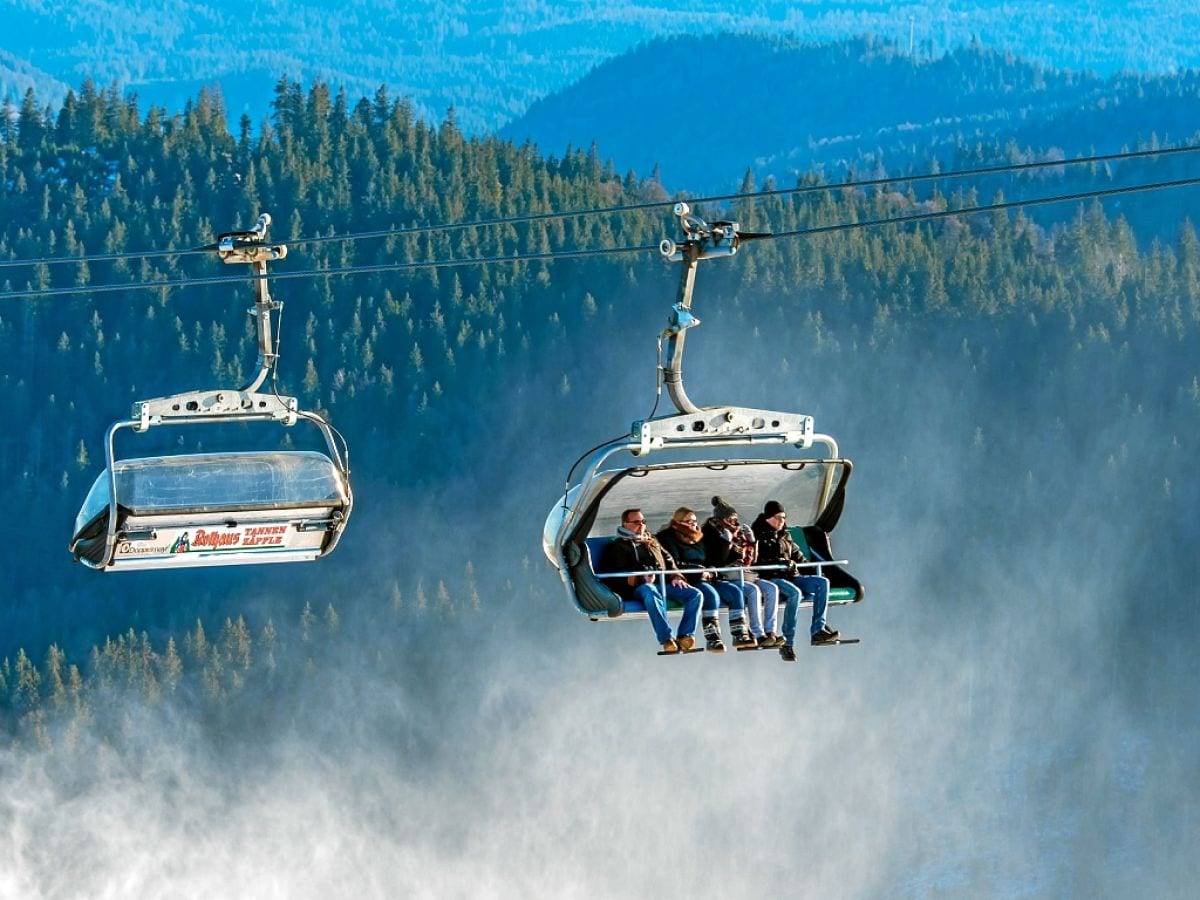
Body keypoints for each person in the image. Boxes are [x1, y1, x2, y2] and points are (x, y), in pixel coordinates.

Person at [599, 507, 704, 654]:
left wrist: (676, 576)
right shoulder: (618, 546)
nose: (641, 525)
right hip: (637, 587)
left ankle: (686, 635)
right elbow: (614, 574)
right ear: (625, 524)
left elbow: (668, 560)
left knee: (695, 594)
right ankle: (666, 638)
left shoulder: (652, 541)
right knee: (650, 590)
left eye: (643, 521)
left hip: (661, 583)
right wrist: (641, 578)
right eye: (636, 522)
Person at [656, 506, 754, 652]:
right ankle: (713, 638)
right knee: (710, 594)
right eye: (688, 522)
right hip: (689, 579)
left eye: (694, 521)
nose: (693, 524)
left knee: (735, 592)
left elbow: (712, 560)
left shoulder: (699, 537)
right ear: (678, 522)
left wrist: (726, 546)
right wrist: (698, 573)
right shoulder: (668, 538)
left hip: (707, 577)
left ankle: (740, 634)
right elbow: (673, 563)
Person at [751, 499, 839, 661]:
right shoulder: (758, 535)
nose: (781, 521)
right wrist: (780, 564)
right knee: (795, 594)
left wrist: (812, 570)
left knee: (822, 583)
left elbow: (798, 557)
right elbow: (755, 562)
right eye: (777, 517)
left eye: (783, 517)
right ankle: (788, 642)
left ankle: (818, 630)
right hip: (773, 577)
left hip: (793, 576)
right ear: (768, 517)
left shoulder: (785, 535)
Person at [701, 496, 776, 650]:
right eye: (730, 518)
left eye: (735, 518)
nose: (734, 521)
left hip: (745, 573)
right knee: (753, 591)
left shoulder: (738, 532)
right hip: (727, 575)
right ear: (721, 518)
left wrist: (752, 541)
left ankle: (771, 633)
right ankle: (757, 633)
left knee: (771, 588)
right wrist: (726, 542)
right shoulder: (710, 532)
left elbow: (751, 560)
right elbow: (718, 561)